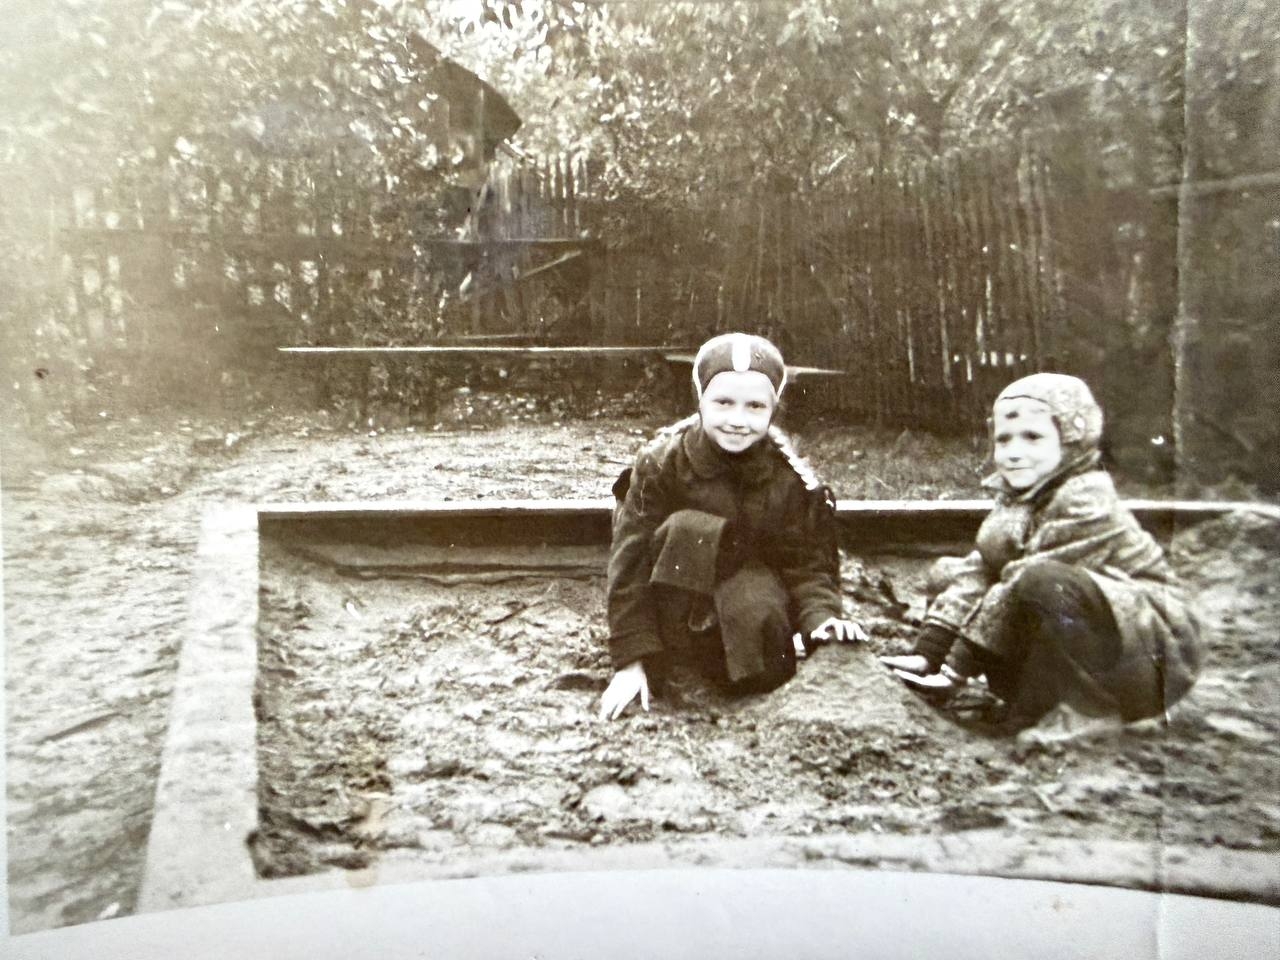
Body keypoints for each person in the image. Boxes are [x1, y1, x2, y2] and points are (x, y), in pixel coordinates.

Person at [880, 373, 1202, 732]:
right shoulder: (1021, 498)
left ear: (1072, 442)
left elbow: (1024, 575)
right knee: (953, 572)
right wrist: (929, 651)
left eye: (1033, 437)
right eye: (1003, 439)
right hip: (1085, 638)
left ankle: (1101, 711)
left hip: (1149, 652)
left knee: (1042, 581)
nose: (1014, 452)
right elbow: (982, 567)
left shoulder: (1085, 498)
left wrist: (957, 668)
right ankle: (1034, 701)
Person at [598, 332, 867, 721]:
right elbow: (629, 563)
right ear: (700, 402)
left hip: (744, 598)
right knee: (684, 529)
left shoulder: (788, 478)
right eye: (723, 402)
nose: (738, 421)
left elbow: (806, 564)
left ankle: (731, 661)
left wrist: (822, 619)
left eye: (755, 406)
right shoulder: (662, 462)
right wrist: (630, 662)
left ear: (773, 410)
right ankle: (673, 661)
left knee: (759, 663)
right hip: (672, 601)